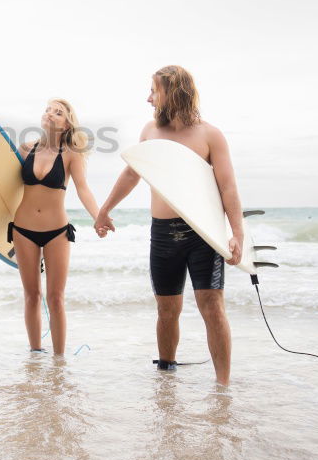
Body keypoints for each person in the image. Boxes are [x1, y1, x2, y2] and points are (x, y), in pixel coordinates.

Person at [93, 66, 243, 385]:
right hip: (162, 234)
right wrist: (104, 210)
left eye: (154, 91)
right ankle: (166, 378)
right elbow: (133, 173)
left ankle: (223, 387)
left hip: (202, 233)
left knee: (211, 306)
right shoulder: (149, 131)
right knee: (166, 309)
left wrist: (237, 235)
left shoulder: (210, 135)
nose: (148, 98)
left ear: (173, 92)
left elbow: (228, 187)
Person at [0, 99, 101, 355]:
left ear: (66, 123)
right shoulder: (25, 150)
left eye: (58, 112)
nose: (50, 114)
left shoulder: (72, 155)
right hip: (23, 230)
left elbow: (83, 189)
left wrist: (98, 216)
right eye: (48, 109)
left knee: (56, 298)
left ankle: (59, 361)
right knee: (31, 296)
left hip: (57, 231)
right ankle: (36, 355)